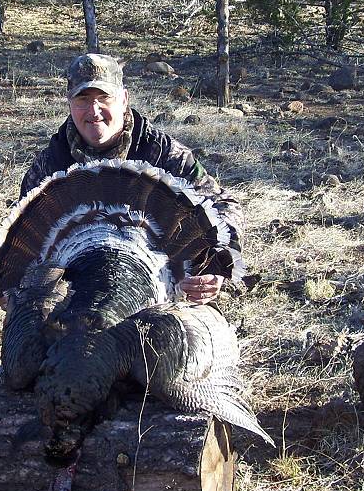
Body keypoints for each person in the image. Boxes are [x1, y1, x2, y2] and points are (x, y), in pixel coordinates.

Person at [19, 53, 244, 305]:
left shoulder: (161, 153)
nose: (94, 111)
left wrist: (215, 267)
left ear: (124, 99)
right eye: (83, 99)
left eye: (104, 98)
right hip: (75, 292)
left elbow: (224, 206)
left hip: (159, 290)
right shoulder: (51, 164)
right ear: (69, 102)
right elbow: (23, 242)